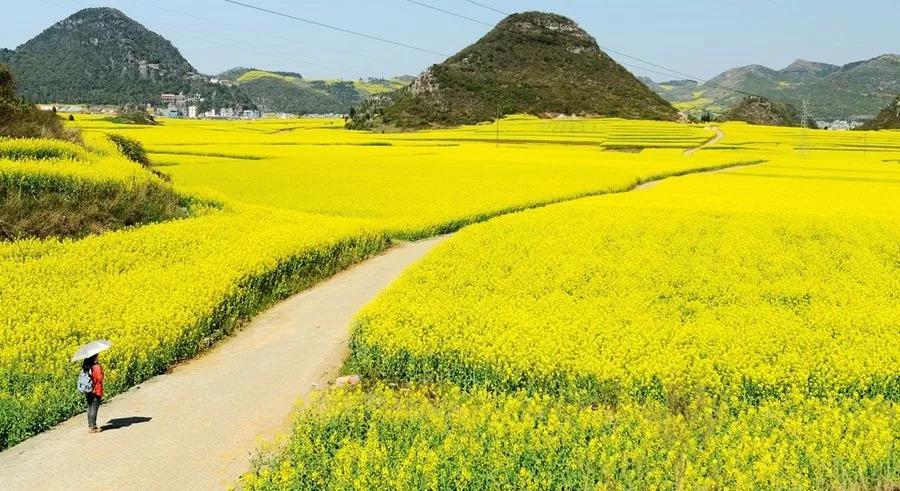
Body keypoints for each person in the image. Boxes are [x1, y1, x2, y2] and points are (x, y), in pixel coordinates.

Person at [82, 354, 104, 433]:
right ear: (94, 358)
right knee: (94, 408)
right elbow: (100, 378)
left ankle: (90, 425)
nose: (98, 357)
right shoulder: (96, 367)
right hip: (96, 390)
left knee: (89, 407)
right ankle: (93, 427)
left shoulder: (85, 366)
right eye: (97, 356)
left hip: (88, 390)